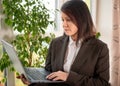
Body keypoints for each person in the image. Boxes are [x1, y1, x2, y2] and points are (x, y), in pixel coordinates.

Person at [18, 0, 110, 86]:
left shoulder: (100, 48)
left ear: (82, 20)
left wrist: (68, 77)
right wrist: (32, 82)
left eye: (68, 20)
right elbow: (49, 76)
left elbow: (102, 83)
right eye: (62, 20)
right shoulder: (55, 43)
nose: (64, 24)